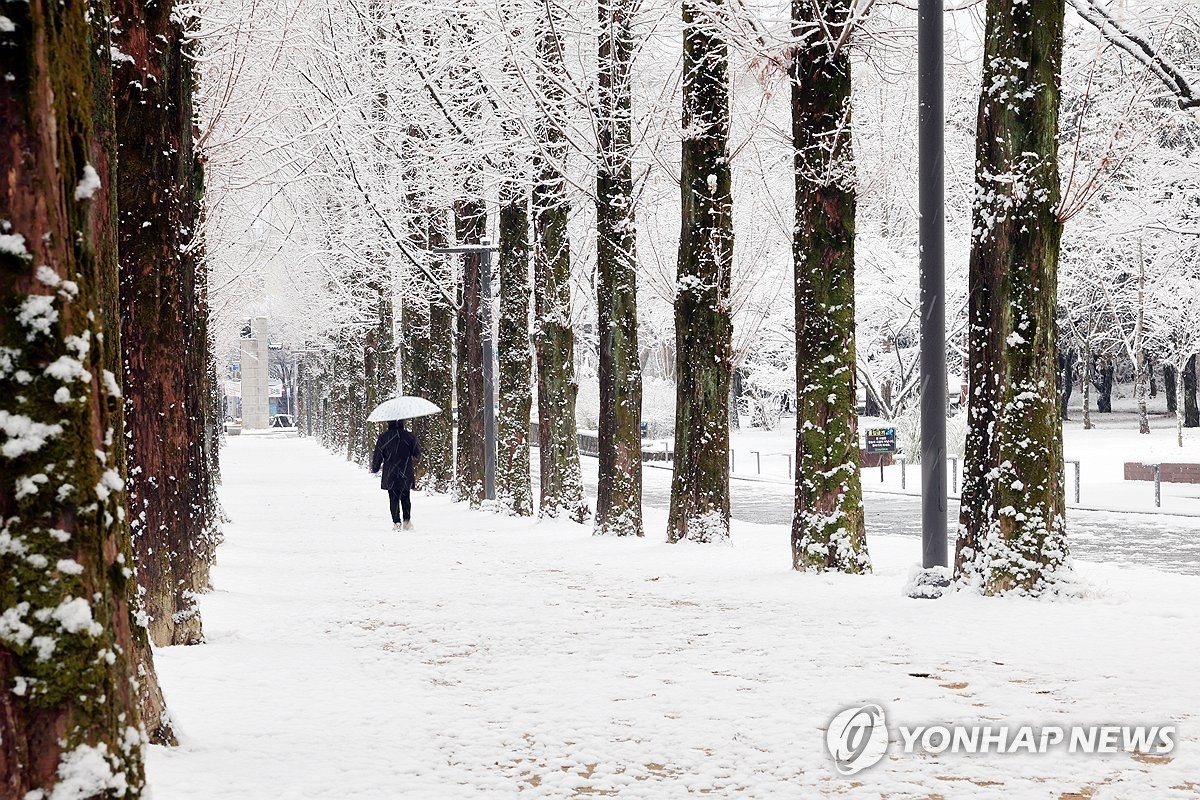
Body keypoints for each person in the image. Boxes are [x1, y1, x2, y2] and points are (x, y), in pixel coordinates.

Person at [370, 419, 422, 531]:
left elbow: (378, 454)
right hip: (405, 470)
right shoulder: (409, 436)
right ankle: (407, 521)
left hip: (390, 472)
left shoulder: (384, 437)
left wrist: (375, 467)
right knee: (406, 496)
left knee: (393, 498)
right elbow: (417, 453)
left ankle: (396, 522)